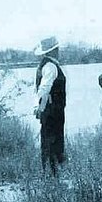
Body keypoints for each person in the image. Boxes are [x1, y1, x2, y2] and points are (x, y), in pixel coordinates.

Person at [33, 37, 67, 176]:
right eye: (56, 49)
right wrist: (39, 108)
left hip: (49, 109)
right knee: (54, 141)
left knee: (48, 140)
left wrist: (37, 107)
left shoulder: (43, 65)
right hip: (53, 110)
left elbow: (37, 90)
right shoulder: (51, 67)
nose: (58, 51)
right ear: (53, 51)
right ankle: (53, 175)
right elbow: (44, 89)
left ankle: (50, 173)